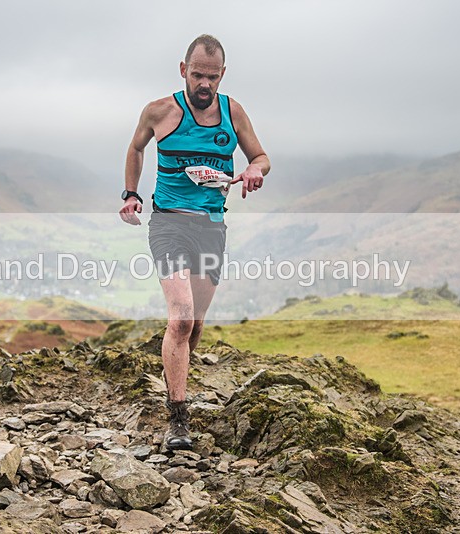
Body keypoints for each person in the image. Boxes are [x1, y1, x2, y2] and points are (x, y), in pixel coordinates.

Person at [119, 34, 270, 450]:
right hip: (168, 224)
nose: (205, 84)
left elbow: (261, 156)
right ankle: (178, 420)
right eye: (198, 75)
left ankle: (177, 367)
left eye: (213, 77)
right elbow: (135, 147)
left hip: (211, 227)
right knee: (182, 318)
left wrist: (255, 170)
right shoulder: (160, 111)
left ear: (223, 76)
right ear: (184, 71)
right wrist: (130, 194)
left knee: (196, 323)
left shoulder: (232, 112)